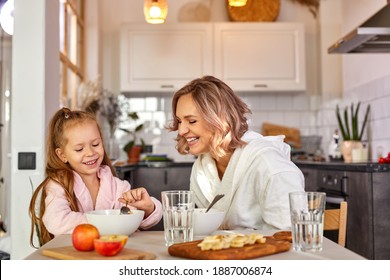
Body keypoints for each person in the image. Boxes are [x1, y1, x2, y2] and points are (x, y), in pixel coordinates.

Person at [167, 75, 305, 231]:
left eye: (191, 121)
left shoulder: (268, 164)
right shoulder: (202, 169)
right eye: (179, 121)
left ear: (221, 120)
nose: (181, 130)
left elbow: (290, 236)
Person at [29, 108, 162, 247]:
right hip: (74, 258)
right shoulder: (58, 185)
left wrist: (148, 209)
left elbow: (130, 217)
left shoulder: (117, 186)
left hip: (112, 256)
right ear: (62, 155)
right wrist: (107, 222)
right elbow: (56, 221)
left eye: (95, 144)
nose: (90, 153)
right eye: (79, 149)